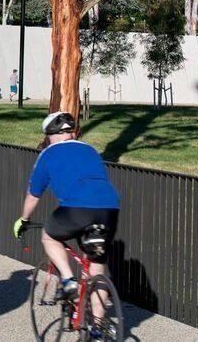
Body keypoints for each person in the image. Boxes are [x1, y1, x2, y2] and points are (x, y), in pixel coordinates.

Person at [13, 111, 120, 324]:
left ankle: (68, 279)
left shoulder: (48, 154)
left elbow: (34, 194)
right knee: (97, 265)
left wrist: (23, 219)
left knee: (49, 236)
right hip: (110, 208)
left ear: (50, 135)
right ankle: (97, 328)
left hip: (76, 208)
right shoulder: (91, 150)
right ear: (72, 133)